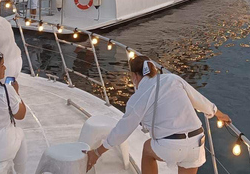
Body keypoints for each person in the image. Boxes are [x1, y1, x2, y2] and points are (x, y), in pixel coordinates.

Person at [85, 56, 232, 174]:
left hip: (170, 146)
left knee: (147, 149)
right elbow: (200, 101)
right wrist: (219, 114)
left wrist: (97, 152)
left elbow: (122, 131)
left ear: (135, 76)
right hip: (197, 142)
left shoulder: (137, 99)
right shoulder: (173, 79)